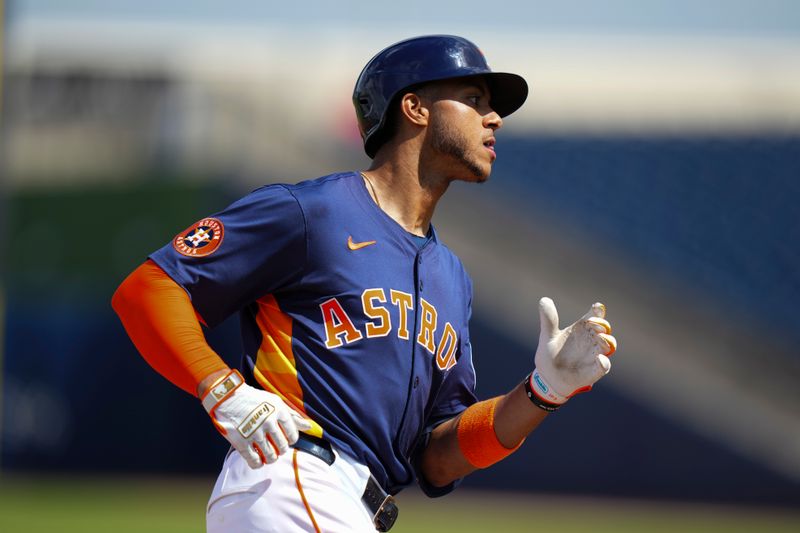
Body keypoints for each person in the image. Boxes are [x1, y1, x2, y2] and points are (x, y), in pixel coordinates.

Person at [112, 34, 617, 533]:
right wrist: (223, 390)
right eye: (473, 100)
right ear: (415, 108)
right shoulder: (314, 212)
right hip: (292, 479)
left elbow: (436, 459)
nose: (494, 118)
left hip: (354, 506)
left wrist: (543, 391)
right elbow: (150, 287)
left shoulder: (452, 278)